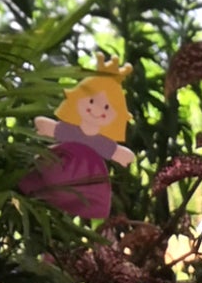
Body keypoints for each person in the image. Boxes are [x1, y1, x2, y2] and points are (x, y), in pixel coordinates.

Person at [20, 70, 136, 220]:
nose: (97, 110)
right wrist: (49, 127)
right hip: (62, 161)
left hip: (89, 172)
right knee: (49, 180)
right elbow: (57, 129)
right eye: (92, 101)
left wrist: (121, 154)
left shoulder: (100, 142)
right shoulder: (72, 130)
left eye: (106, 107)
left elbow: (115, 151)